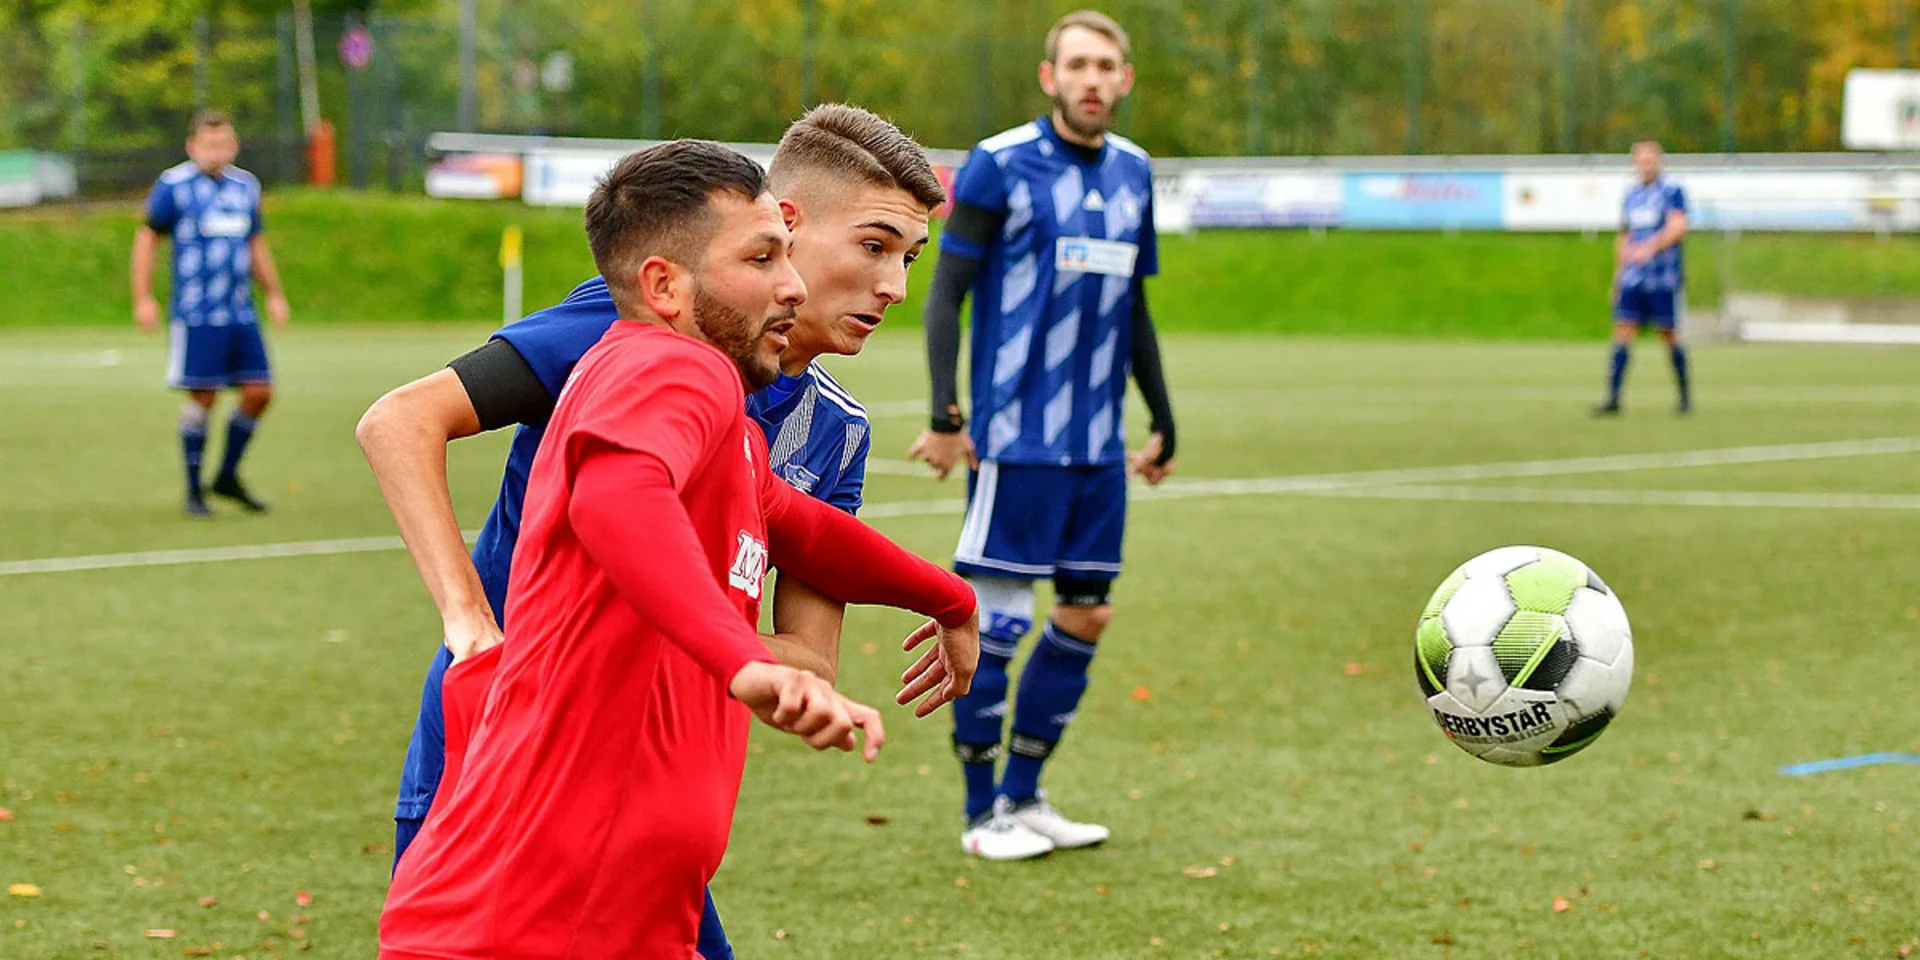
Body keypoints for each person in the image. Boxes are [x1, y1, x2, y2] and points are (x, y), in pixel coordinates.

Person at [356, 104, 952, 959]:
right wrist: (470, 624)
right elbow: (400, 423)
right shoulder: (635, 328)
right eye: (873, 246)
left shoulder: (832, 431)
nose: (894, 286)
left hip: (639, 796)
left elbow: (809, 657)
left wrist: (686, 648)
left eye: (910, 259)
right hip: (506, 764)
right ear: (782, 226)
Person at [908, 8, 1177, 861]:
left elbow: (1133, 307)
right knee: (998, 622)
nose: (1093, 79)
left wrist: (1162, 416)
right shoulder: (1001, 164)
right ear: (1049, 76)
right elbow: (947, 292)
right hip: (1016, 440)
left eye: (1107, 66)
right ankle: (982, 813)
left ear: (1125, 80)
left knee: (1088, 614)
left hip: (1097, 447)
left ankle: (1026, 797)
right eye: (1078, 65)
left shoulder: (1136, 174)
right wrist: (946, 413)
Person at [132, 108, 291, 517]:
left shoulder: (245, 187)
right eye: (208, 144)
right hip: (196, 313)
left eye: (223, 143)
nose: (216, 151)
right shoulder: (173, 187)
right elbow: (148, 239)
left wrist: (273, 292)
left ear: (234, 145)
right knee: (204, 396)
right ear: (192, 146)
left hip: (240, 312)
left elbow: (255, 243)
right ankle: (194, 488)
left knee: (260, 391)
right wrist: (143, 297)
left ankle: (227, 475)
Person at [1596, 139, 1690, 416]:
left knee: (1669, 335)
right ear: (1634, 162)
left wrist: (1649, 248)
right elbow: (1623, 237)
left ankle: (1684, 396)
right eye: (1641, 159)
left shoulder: (1672, 191)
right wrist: (1618, 275)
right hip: (1633, 278)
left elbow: (1678, 227)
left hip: (1662, 277)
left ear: (1659, 161)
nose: (1646, 165)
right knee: (1622, 331)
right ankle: (1613, 398)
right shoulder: (1631, 196)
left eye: (1650, 159)